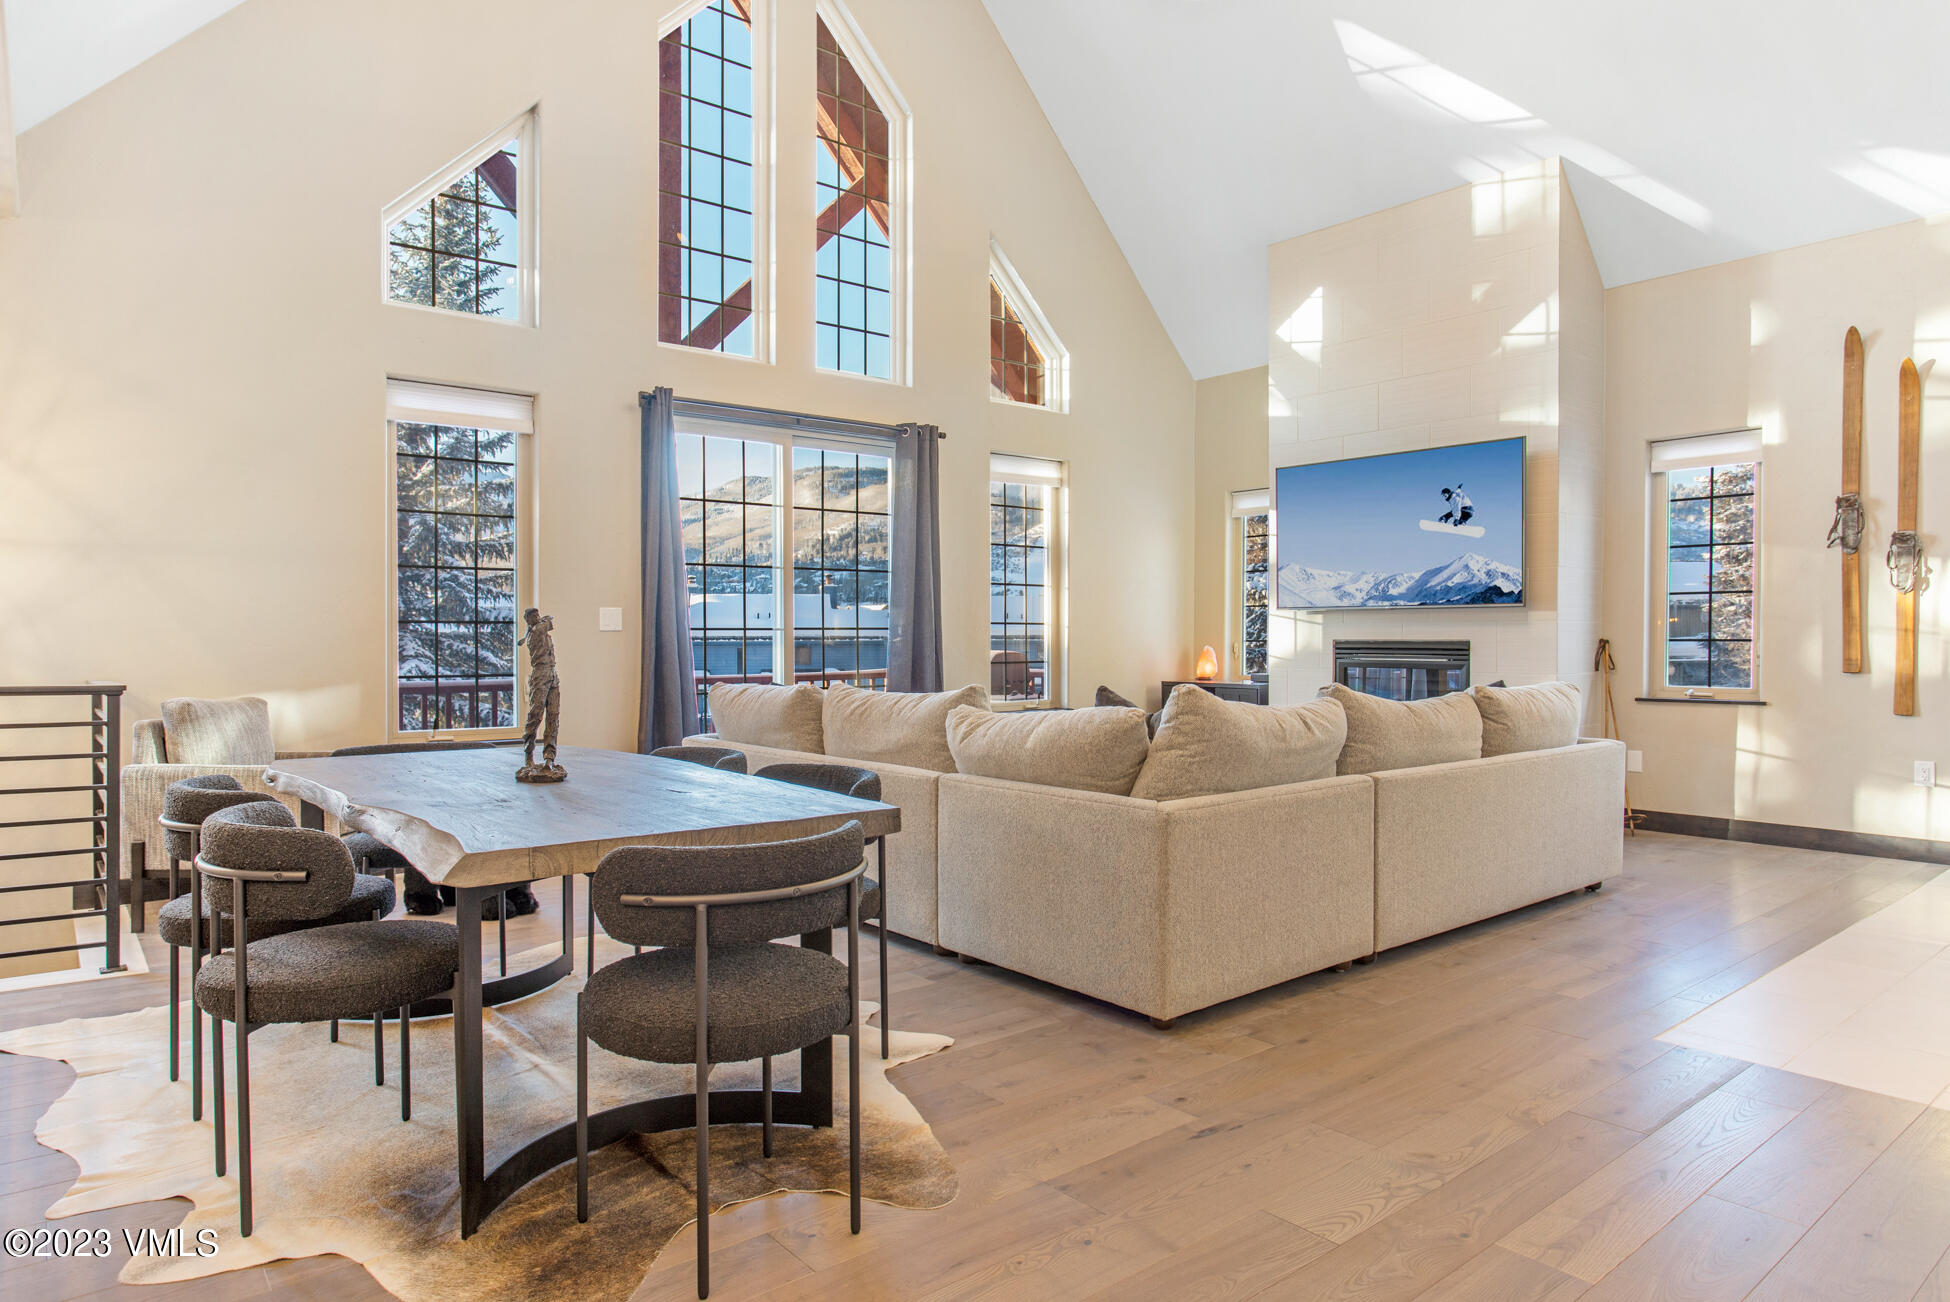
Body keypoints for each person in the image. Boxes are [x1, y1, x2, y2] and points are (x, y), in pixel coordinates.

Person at [519, 608, 560, 772]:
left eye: (537, 615)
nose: (537, 617)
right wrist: (543, 619)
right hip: (540, 675)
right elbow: (550, 620)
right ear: (529, 621)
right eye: (533, 616)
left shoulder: (539, 630)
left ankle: (549, 757)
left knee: (553, 717)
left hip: (552, 674)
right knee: (535, 716)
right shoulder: (536, 632)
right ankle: (528, 753)